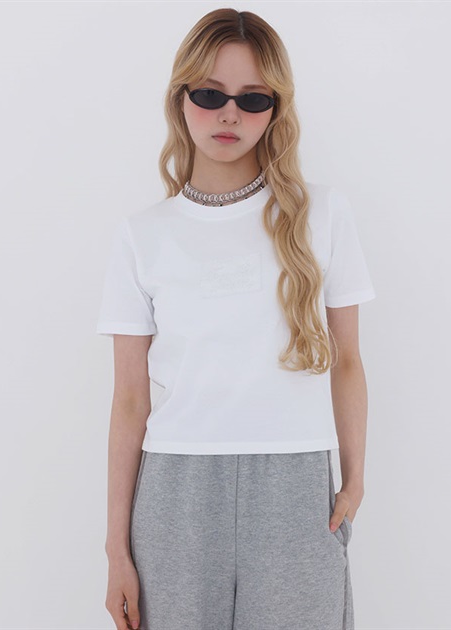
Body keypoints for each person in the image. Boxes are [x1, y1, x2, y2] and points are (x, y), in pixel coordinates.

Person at [96, 8, 376, 630]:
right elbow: (130, 398)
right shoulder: (143, 235)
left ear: (275, 109)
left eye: (252, 99)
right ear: (181, 98)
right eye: (209, 94)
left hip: (296, 484)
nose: (229, 114)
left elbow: (348, 359)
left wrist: (354, 480)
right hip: (177, 490)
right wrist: (116, 549)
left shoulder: (322, 215)